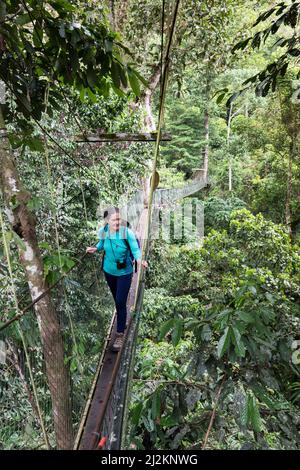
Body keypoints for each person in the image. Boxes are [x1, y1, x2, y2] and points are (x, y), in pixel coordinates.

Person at [86, 207, 148, 351]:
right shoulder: (104, 231)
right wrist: (95, 248)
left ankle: (119, 334)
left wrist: (140, 261)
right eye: (114, 220)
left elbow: (136, 250)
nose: (117, 222)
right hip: (109, 271)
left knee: (120, 301)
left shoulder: (128, 234)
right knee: (117, 300)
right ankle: (122, 318)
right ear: (107, 221)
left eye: (119, 219)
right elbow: (102, 244)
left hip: (124, 272)